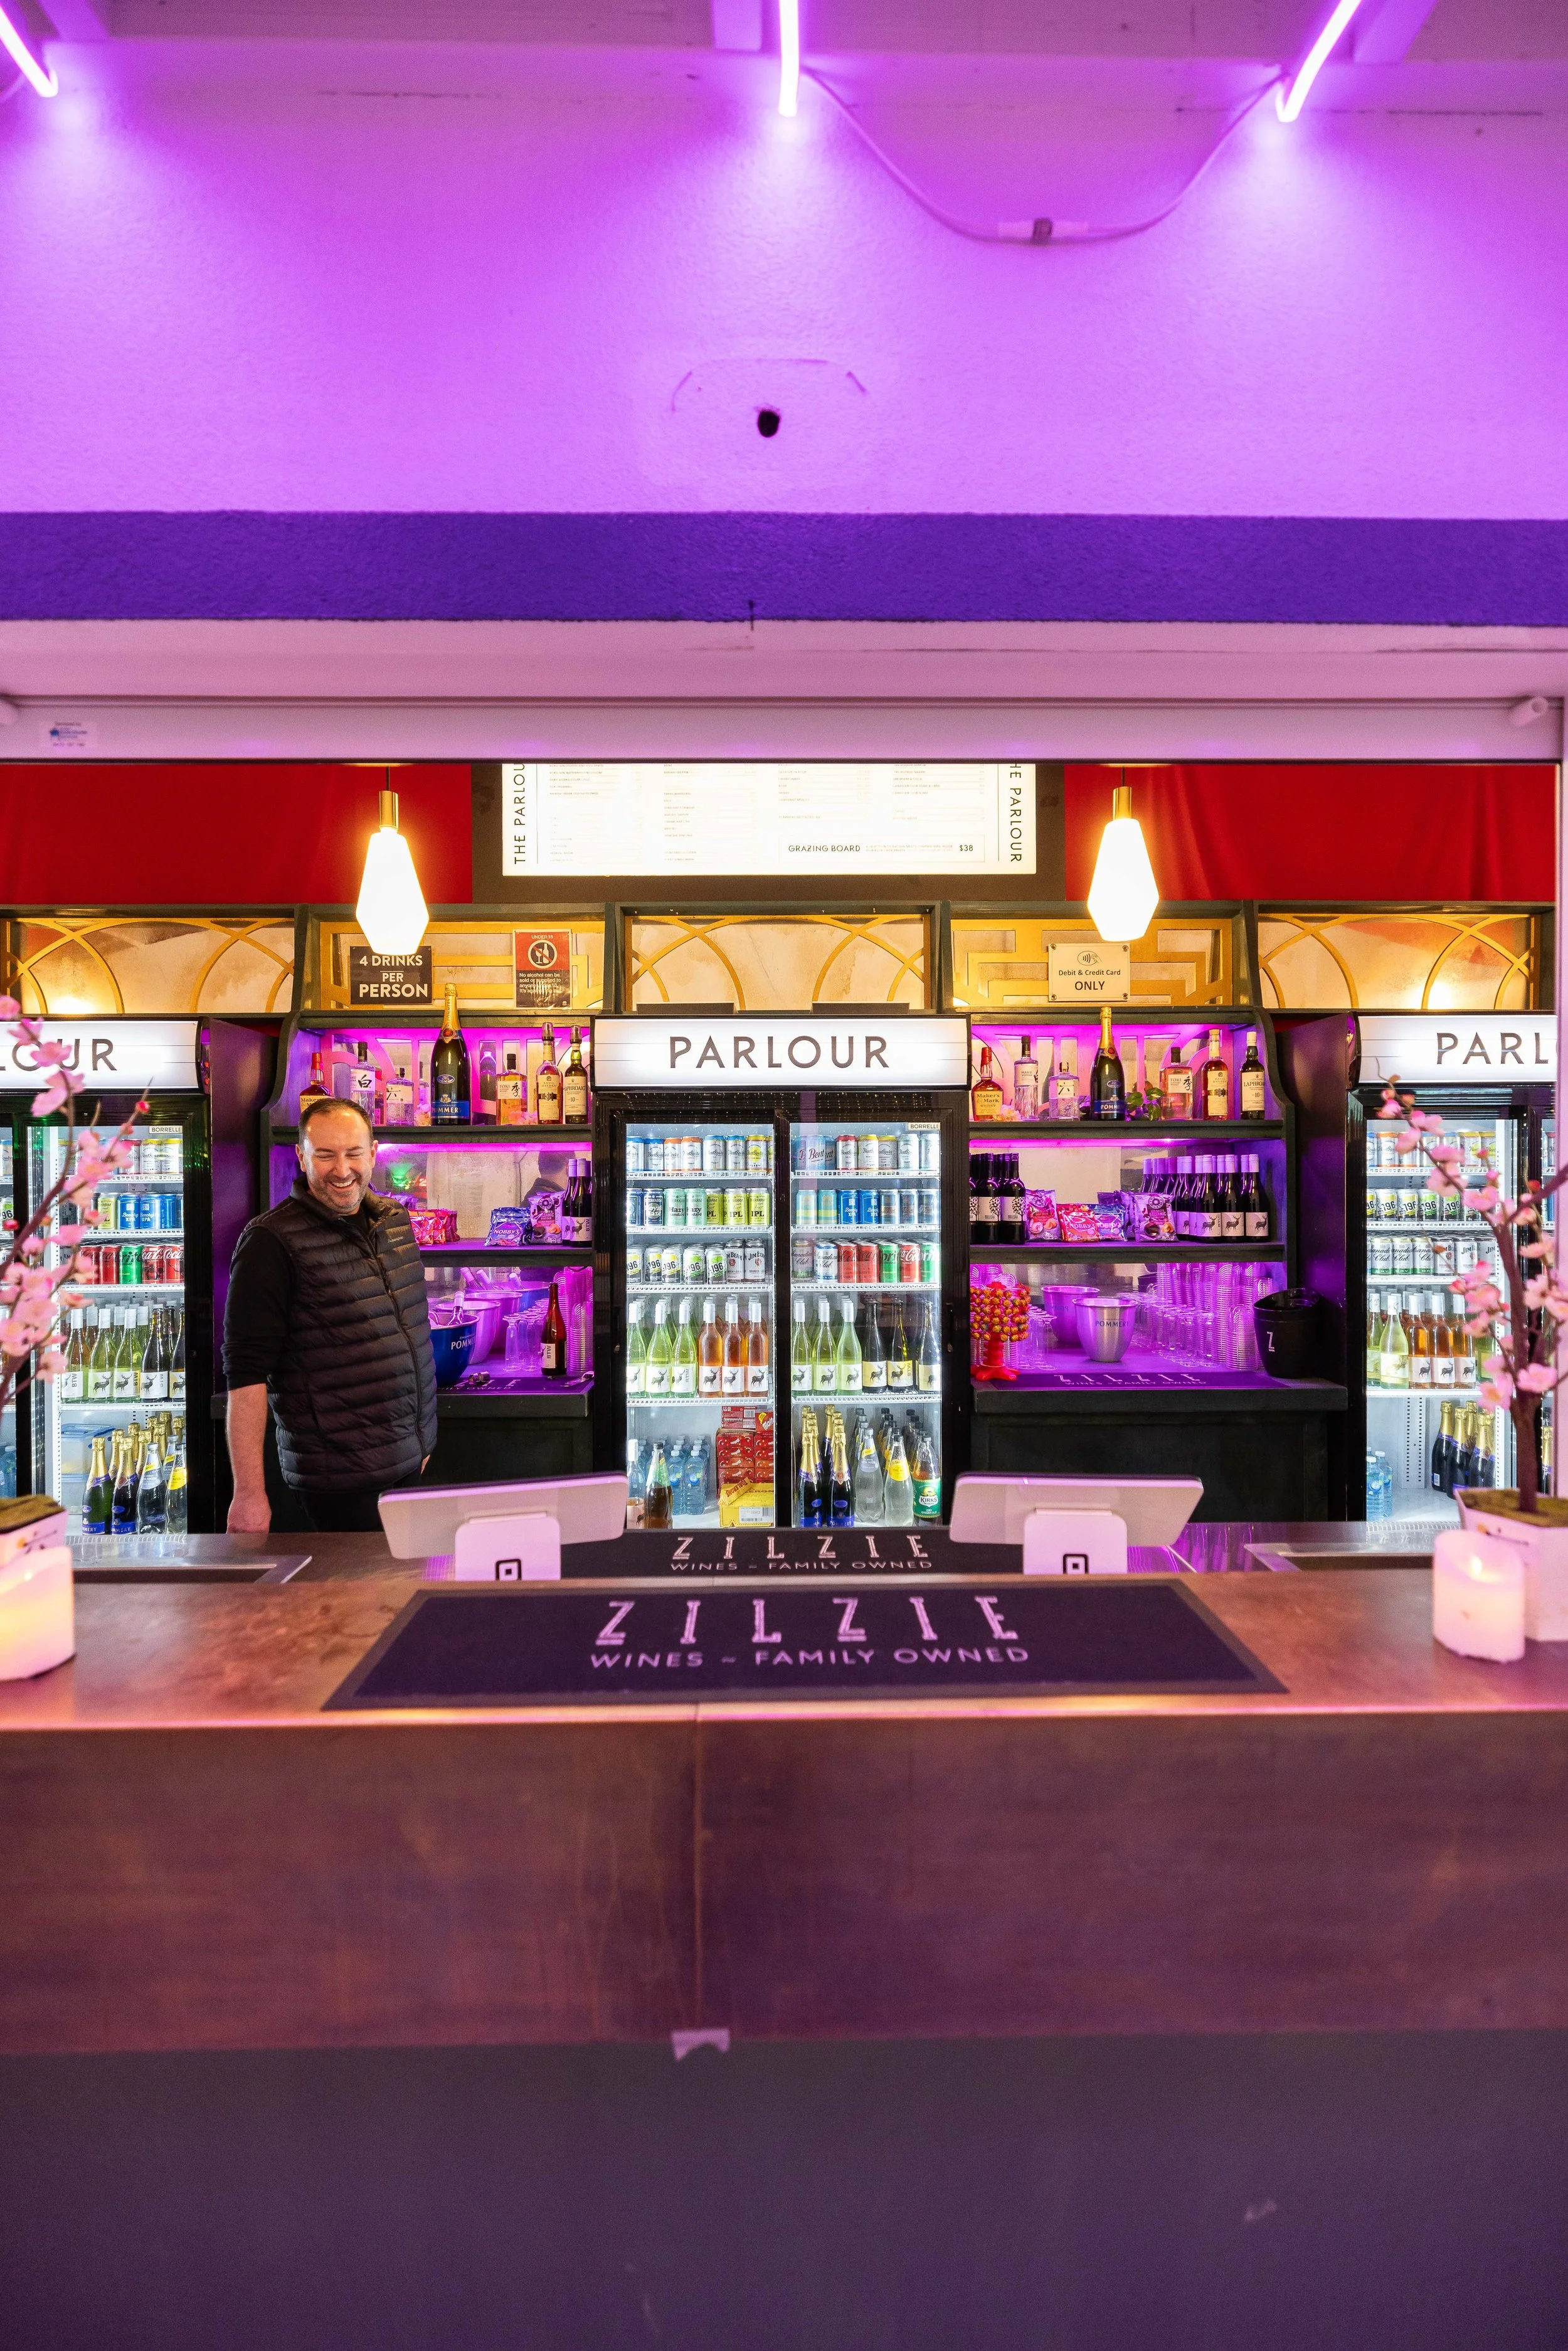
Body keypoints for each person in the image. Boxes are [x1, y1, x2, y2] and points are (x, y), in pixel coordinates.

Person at [224, 1096, 436, 1534]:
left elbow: (410, 1327)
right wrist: (248, 1494)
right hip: (339, 1476)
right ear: (301, 1157)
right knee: (358, 1599)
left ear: (373, 1153)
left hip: (408, 1459)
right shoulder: (270, 1241)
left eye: (354, 1153)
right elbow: (245, 1374)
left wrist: (420, 1438)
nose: (342, 1170)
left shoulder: (395, 1220)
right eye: (325, 1155)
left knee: (402, 1592)